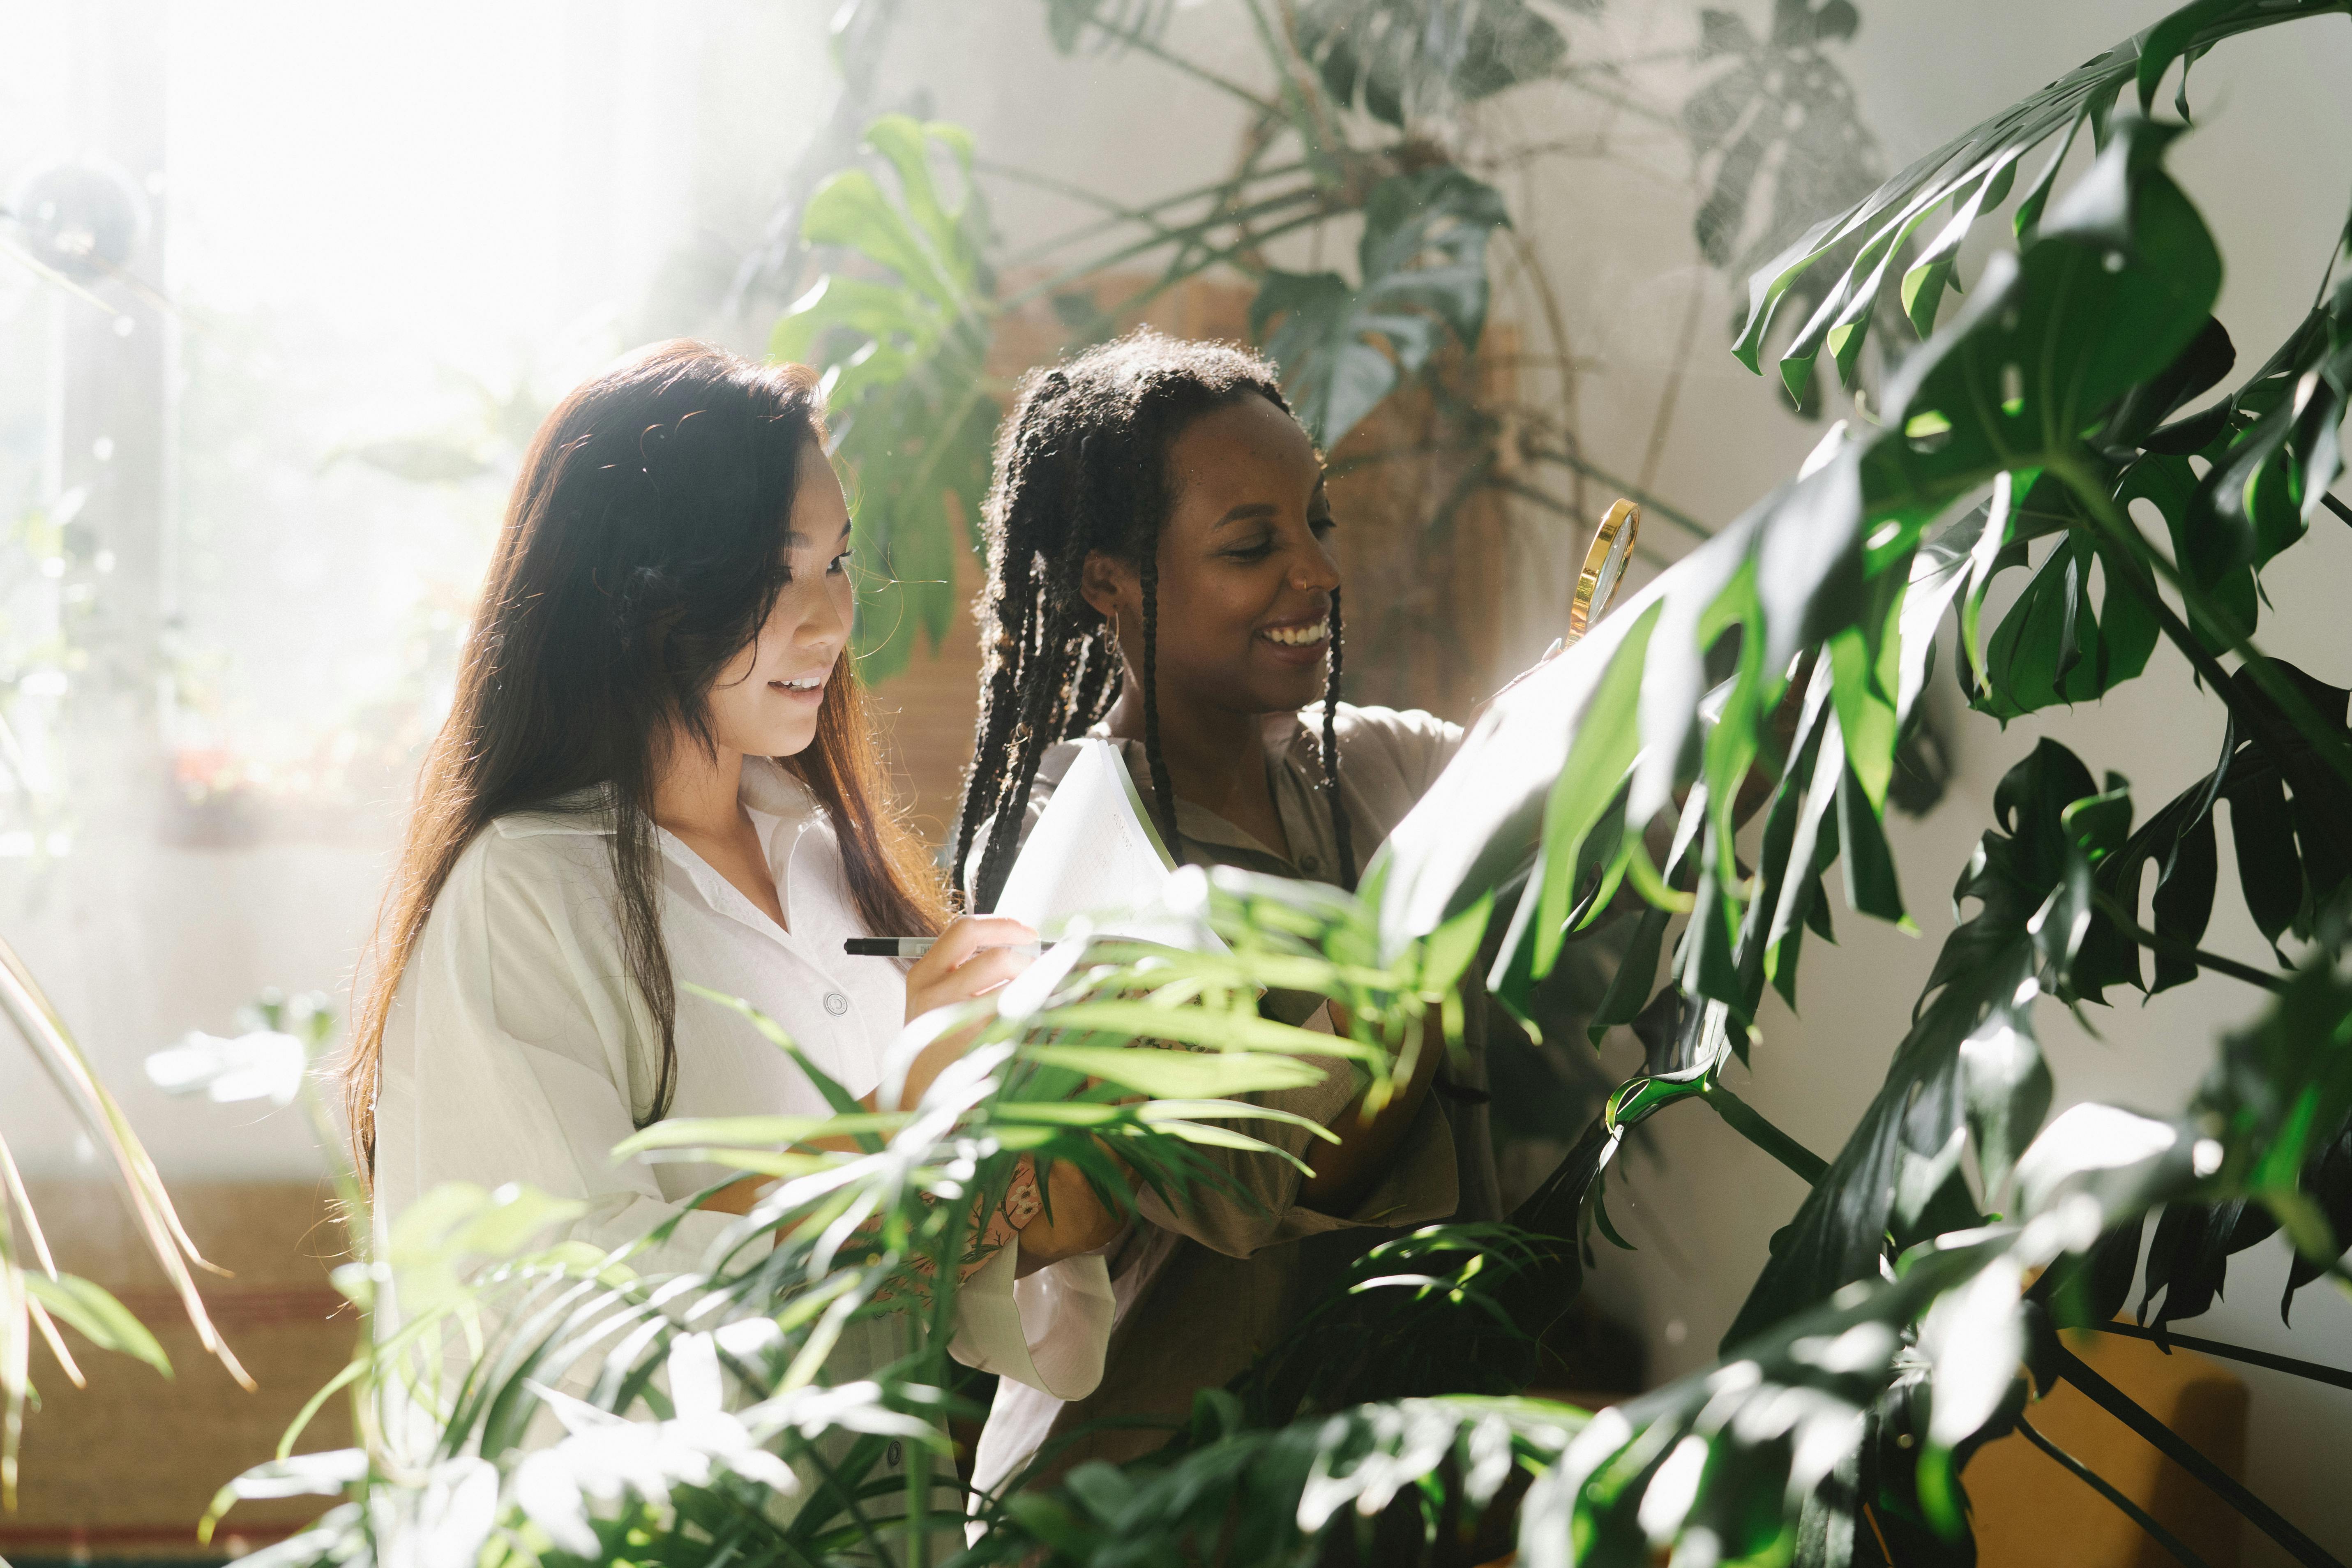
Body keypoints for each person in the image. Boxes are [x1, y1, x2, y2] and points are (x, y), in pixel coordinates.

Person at [338, 341, 1109, 1485]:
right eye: (773, 570)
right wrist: (903, 1119)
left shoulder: (823, 861)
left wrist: (1049, 1128)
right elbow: (555, 1320)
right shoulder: (524, 893)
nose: (828, 619)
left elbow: (1001, 1314)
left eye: (838, 562)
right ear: (639, 586)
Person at [949, 330, 1498, 1495]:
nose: (1317, 571)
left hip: (1354, 1488)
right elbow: (1301, 1171)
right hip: (1127, 1504)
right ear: (1110, 582)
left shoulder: (1375, 768)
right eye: (1254, 544)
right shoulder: (1094, 864)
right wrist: (1441, 926)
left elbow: (1607, 786)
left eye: (1317, 524)